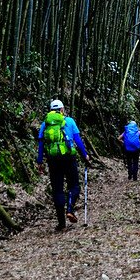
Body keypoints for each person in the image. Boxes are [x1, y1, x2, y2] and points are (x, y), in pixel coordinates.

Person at [37, 99, 90, 232]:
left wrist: (40, 162)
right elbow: (77, 140)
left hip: (52, 159)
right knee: (74, 185)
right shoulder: (70, 121)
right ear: (62, 109)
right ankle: (70, 209)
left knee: (57, 190)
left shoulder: (45, 124)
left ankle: (61, 223)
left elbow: (41, 144)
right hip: (68, 157)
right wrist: (85, 155)